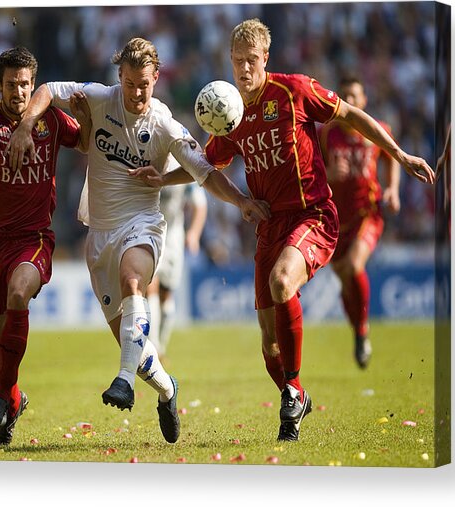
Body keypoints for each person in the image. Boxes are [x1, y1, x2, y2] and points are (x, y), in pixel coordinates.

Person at [132, 18, 434, 441]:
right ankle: (296, 395)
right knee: (268, 344)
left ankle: (292, 390)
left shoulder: (294, 90)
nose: (243, 70)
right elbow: (206, 167)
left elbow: (349, 116)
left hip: (312, 214)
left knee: (281, 282)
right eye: (237, 61)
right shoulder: (231, 113)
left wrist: (399, 155)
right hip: (269, 227)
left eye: (251, 60)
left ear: (265, 58)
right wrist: (163, 179)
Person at [6, 37, 270, 444]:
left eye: (144, 84)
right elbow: (45, 91)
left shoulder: (164, 124)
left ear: (156, 78)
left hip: (142, 224)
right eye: (130, 84)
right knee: (135, 343)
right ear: (120, 78)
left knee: (135, 280)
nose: (137, 92)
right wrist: (25, 127)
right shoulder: (98, 98)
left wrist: (240, 202)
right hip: (99, 235)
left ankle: (124, 380)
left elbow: (205, 171)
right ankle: (167, 391)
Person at [0, 46, 90, 446]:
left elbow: (85, 142)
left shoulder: (50, 120)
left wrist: (86, 114)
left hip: (34, 239)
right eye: (12, 84)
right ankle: (12, 398)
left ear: (33, 83)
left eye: (26, 84)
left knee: (18, 292)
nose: (20, 92)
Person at [318, 76, 401, 369]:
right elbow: (310, 169)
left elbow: (392, 155)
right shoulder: (327, 133)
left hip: (368, 213)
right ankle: (358, 333)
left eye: (355, 96)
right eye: (345, 96)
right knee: (344, 277)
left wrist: (391, 188)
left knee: (353, 266)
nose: (350, 101)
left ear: (364, 100)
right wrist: (328, 173)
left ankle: (363, 328)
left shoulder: (379, 130)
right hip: (335, 217)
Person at [146, 179, 207, 361]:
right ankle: (154, 348)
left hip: (173, 236)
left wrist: (194, 233)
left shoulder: (182, 168)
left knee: (166, 294)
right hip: (148, 230)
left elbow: (200, 205)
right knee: (151, 286)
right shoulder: (147, 158)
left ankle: (161, 346)